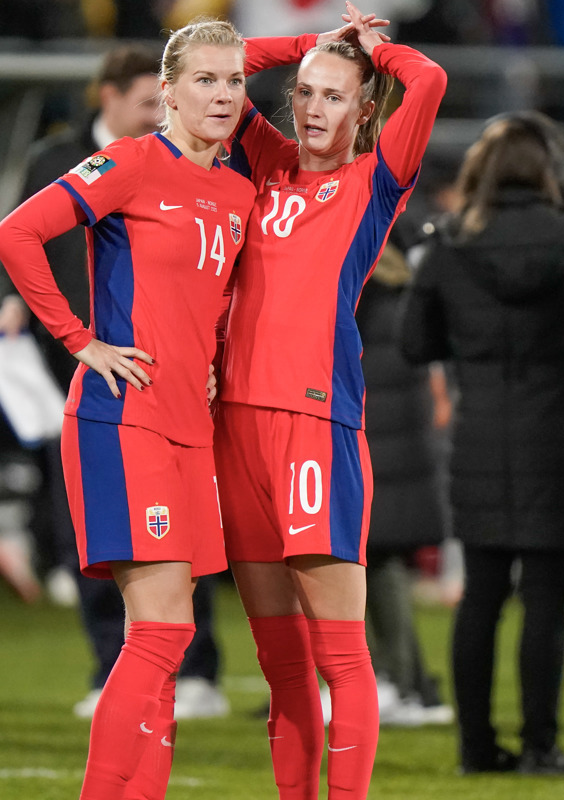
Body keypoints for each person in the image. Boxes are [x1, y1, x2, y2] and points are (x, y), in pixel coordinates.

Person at [0, 18, 255, 800]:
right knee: (164, 629)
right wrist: (79, 339)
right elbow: (17, 235)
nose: (223, 94)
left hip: (190, 429)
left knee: (166, 641)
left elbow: (209, 305)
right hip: (123, 416)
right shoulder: (132, 163)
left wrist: (211, 367)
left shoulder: (238, 189)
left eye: (235, 80)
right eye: (204, 79)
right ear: (164, 92)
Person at [213, 4, 446, 797]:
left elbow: (433, 79)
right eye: (306, 92)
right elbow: (226, 58)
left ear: (366, 108)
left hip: (314, 427)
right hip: (233, 433)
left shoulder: (374, 183)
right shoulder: (267, 164)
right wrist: (311, 45)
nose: (313, 108)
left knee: (343, 660)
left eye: (335, 96)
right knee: (281, 667)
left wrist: (377, 51)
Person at [399, 112, 564, 775]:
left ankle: (476, 747)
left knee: (482, 598)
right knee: (546, 601)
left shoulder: (449, 245)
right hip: (554, 439)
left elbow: (416, 343)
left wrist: (467, 344)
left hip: (479, 438)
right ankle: (539, 745)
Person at [354, 233, 451, 727]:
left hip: (371, 444)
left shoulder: (362, 291)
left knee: (366, 566)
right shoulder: (405, 287)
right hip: (402, 452)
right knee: (379, 565)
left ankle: (392, 683)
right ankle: (409, 684)